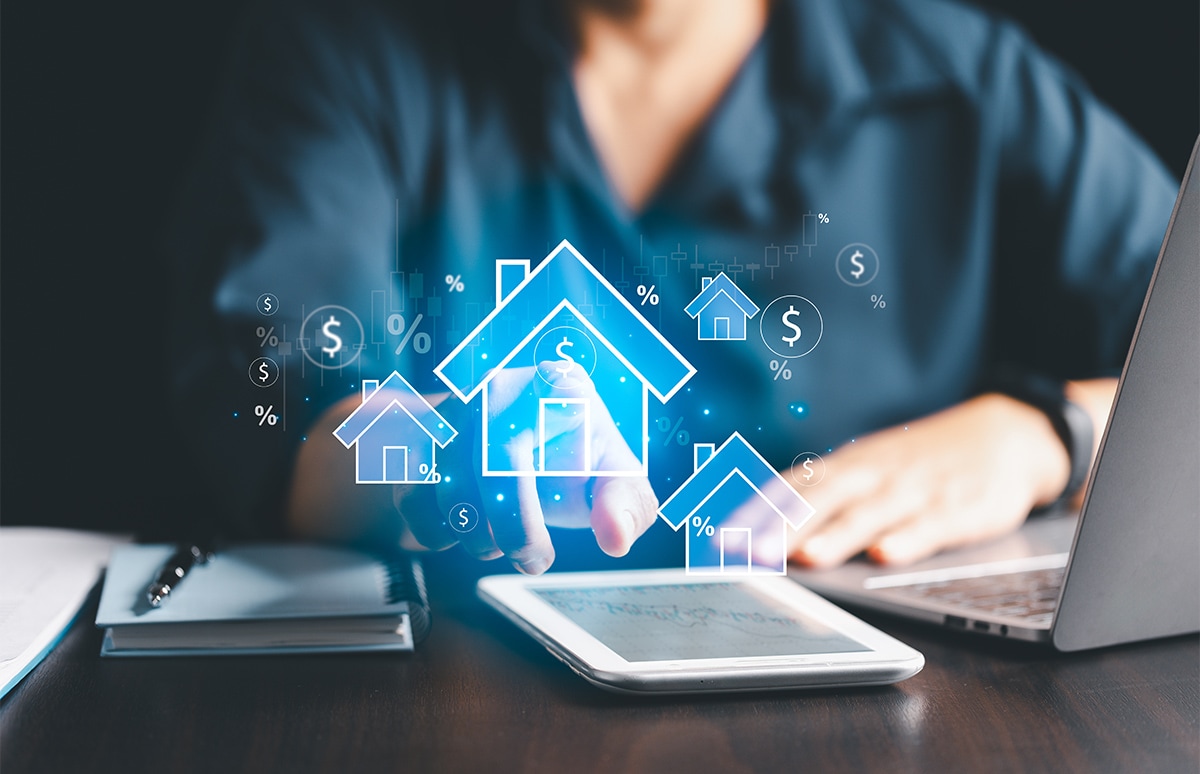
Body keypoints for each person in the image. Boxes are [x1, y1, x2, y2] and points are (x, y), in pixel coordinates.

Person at [166, 0, 1177, 576]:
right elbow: (291, 419)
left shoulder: (962, 77)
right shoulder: (339, 44)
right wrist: (444, 450)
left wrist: (1046, 434)